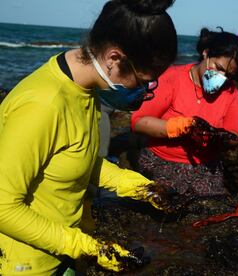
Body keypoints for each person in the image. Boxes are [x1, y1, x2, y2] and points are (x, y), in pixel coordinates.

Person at [0, 0, 178, 274]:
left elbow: (75, 160)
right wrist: (86, 247)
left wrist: (138, 186)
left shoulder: (85, 89)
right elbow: (3, 207)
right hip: (24, 265)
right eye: (143, 82)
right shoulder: (43, 105)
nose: (145, 92)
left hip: (62, 254)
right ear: (114, 59)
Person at [130, 28, 238, 197]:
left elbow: (235, 136)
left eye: (228, 75)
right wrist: (183, 127)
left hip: (206, 168)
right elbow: (137, 122)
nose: (221, 77)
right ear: (206, 53)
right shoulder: (172, 77)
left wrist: (217, 136)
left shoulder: (230, 92)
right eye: (218, 67)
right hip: (161, 161)